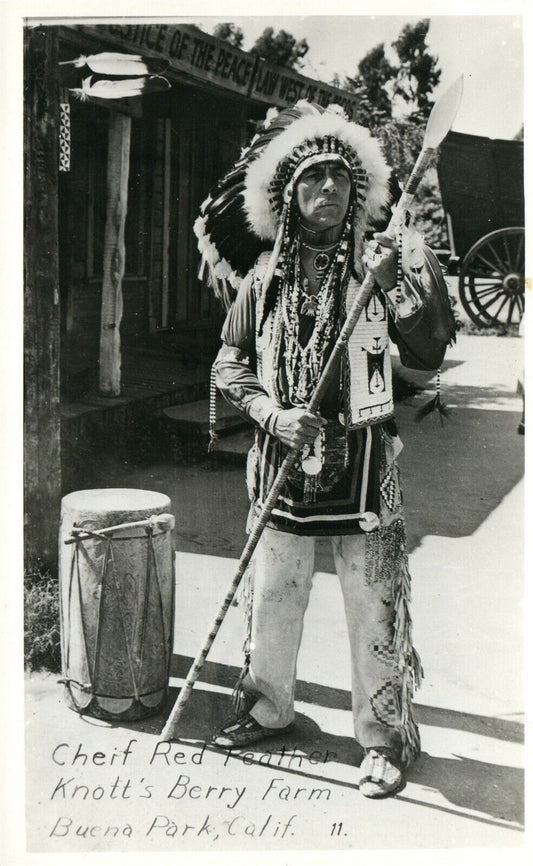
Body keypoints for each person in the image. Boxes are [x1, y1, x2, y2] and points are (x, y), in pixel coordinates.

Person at [194, 101, 455, 798]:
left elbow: (427, 349)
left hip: (365, 468)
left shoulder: (378, 268)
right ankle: (264, 708)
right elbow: (227, 365)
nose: (330, 191)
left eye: (341, 179)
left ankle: (382, 736)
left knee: (372, 604)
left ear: (357, 194)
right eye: (314, 180)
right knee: (272, 597)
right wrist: (270, 414)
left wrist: (401, 276)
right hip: (280, 463)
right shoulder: (262, 281)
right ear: (287, 197)